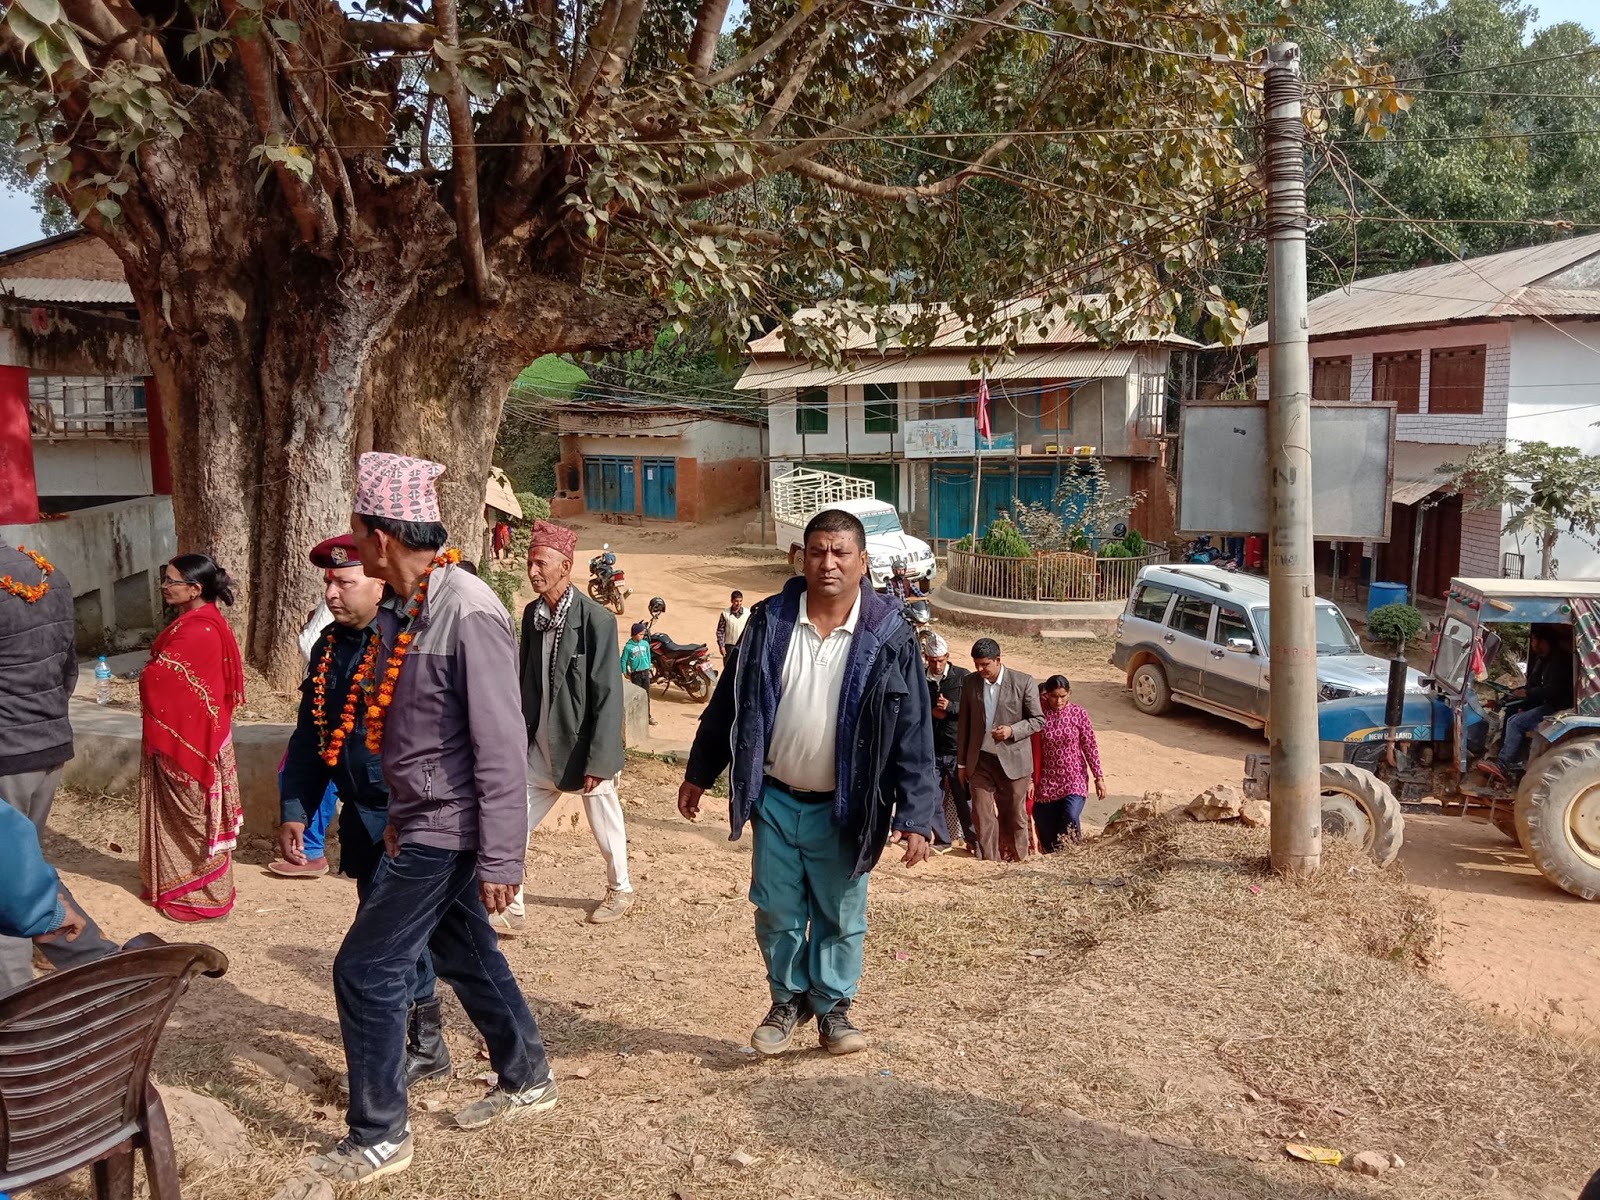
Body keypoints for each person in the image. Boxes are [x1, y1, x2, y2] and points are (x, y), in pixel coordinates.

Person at [312, 454, 554, 1184]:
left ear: (382, 537)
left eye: (358, 531)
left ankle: (380, 1134)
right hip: (419, 818)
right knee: (464, 951)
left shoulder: (467, 609)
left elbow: (501, 743)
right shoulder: (404, 608)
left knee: (366, 968)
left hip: (449, 828)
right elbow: (410, 729)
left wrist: (503, 858)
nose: (353, 544)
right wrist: (396, 809)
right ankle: (528, 1077)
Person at [678, 508, 939, 1057]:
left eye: (841, 552)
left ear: (863, 562)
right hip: (774, 798)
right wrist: (700, 772)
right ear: (801, 558)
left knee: (840, 914)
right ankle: (788, 1000)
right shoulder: (769, 622)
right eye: (817, 551)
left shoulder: (890, 635)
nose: (828, 563)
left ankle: (834, 1010)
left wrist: (918, 814)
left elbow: (913, 727)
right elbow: (729, 703)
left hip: (847, 806)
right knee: (775, 909)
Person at [274, 533, 450, 1088]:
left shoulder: (408, 643)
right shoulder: (329, 646)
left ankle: (423, 1043)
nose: (331, 593)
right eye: (328, 582)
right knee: (398, 934)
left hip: (410, 819)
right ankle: (421, 1039)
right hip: (362, 819)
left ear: (378, 583)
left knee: (395, 939)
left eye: (344, 582)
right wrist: (296, 808)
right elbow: (311, 737)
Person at [0, 542, 121, 985]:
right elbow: (69, 668)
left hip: (6, 749)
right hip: (47, 741)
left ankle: (16, 997)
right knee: (21, 861)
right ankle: (100, 963)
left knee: (8, 874)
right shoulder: (48, 574)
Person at [503, 520, 630, 931]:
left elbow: (608, 694)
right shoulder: (532, 615)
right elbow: (525, 680)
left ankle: (620, 888)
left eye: (541, 563)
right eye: (530, 562)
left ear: (566, 567)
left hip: (583, 747)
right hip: (539, 749)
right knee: (511, 824)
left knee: (606, 824)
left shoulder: (597, 621)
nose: (533, 571)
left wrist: (601, 760)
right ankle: (510, 905)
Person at [139, 555, 245, 922]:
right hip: (200, 735)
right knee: (194, 814)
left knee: (193, 816)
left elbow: (162, 679)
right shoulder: (203, 622)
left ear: (195, 589)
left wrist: (149, 673)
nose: (165, 586)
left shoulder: (198, 630)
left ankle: (200, 896)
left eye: (172, 581)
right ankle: (188, 887)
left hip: (190, 743)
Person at [957, 638, 1045, 862]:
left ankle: (1019, 862)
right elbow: (964, 724)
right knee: (982, 815)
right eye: (977, 664)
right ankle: (990, 863)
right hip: (980, 761)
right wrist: (962, 764)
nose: (980, 669)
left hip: (1014, 761)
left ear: (998, 660)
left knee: (1014, 816)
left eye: (985, 664)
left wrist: (1012, 730)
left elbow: (1038, 720)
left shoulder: (1023, 682)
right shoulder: (970, 683)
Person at [1481, 628, 1575, 783]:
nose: (1532, 644)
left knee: (1516, 722)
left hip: (1557, 707)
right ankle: (1504, 755)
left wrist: (1528, 693)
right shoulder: (1543, 659)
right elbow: (1533, 684)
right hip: (1546, 701)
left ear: (1543, 641)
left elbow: (1553, 691)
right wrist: (1511, 695)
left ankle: (1504, 765)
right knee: (1511, 711)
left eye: (1534, 640)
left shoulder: (1559, 662)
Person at [1030, 675, 1105, 851]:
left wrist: (1098, 777)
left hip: (1074, 778)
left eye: (1063, 696)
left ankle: (1074, 851)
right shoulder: (1038, 716)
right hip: (1046, 781)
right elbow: (1030, 749)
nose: (1058, 701)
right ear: (1046, 695)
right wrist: (1030, 779)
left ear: (1069, 693)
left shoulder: (1079, 714)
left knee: (1071, 814)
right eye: (1054, 696)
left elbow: (1089, 746)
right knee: (1046, 825)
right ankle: (1053, 858)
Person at [924, 634, 974, 851]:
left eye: (941, 660)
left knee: (964, 799)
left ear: (948, 657)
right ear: (926, 658)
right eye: (932, 660)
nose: (937, 665)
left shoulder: (963, 677)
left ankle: (974, 840)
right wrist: (931, 712)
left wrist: (951, 707)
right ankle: (942, 840)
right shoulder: (919, 677)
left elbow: (975, 708)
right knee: (932, 798)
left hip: (956, 750)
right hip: (931, 749)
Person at [622, 620, 656, 727]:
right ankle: (635, 716)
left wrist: (649, 665)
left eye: (643, 634)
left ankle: (648, 716)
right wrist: (624, 671)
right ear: (634, 634)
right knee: (636, 696)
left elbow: (648, 655)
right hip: (636, 674)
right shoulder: (628, 647)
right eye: (640, 634)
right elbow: (623, 660)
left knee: (646, 695)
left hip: (645, 672)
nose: (642, 636)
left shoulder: (645, 644)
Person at [716, 590, 749, 674]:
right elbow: (720, 631)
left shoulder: (748, 613)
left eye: (740, 601)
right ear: (731, 601)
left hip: (743, 646)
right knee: (728, 672)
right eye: (736, 601)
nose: (738, 604)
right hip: (729, 647)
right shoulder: (725, 613)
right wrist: (721, 646)